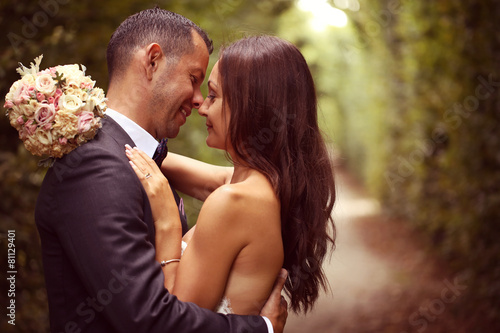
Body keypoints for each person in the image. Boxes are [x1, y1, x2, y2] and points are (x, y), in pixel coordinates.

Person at [35, 8, 287, 333]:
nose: (199, 102)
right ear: (153, 61)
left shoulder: (138, 157)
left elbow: (237, 185)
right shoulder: (95, 166)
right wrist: (261, 328)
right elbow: (148, 319)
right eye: (195, 80)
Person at [126, 35, 336, 317]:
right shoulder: (258, 185)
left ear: (252, 107)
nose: (202, 107)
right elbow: (154, 160)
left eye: (213, 95)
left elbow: (174, 321)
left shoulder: (234, 201)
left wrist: (167, 222)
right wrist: (87, 118)